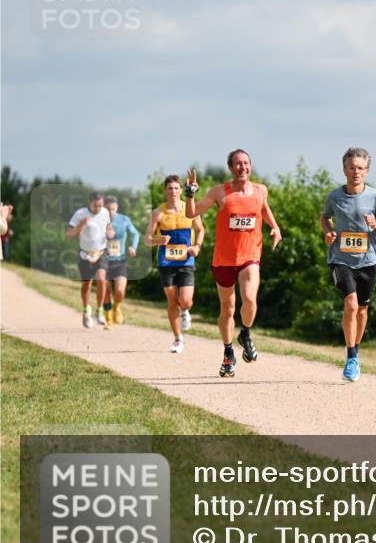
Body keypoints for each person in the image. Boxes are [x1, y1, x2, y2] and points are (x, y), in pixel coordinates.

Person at [185, 149, 281, 378]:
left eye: (246, 163)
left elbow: (263, 208)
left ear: (250, 166)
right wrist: (190, 194)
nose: (242, 167)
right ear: (230, 168)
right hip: (224, 259)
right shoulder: (219, 192)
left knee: (250, 299)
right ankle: (228, 353)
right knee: (227, 308)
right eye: (237, 164)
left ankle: (245, 333)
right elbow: (191, 213)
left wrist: (275, 227)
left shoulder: (260, 190)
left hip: (250, 255)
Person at [321, 147, 376, 382]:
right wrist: (328, 232)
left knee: (362, 310)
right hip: (340, 259)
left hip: (367, 261)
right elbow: (325, 217)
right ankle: (351, 356)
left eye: (360, 168)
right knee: (351, 304)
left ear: (367, 171)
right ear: (344, 169)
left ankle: (356, 351)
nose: (356, 172)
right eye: (352, 167)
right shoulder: (334, 196)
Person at [145, 175, 204, 353]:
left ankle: (185, 311)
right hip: (166, 261)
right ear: (165, 190)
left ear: (181, 190)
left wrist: (197, 246)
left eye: (176, 188)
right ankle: (178, 339)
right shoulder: (158, 213)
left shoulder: (190, 209)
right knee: (172, 300)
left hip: (186, 259)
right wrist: (158, 240)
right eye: (170, 188)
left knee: (186, 301)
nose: (173, 191)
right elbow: (147, 239)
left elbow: (200, 230)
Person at [66, 192, 112, 329]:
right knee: (87, 284)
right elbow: (69, 234)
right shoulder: (80, 214)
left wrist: (110, 232)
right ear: (89, 202)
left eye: (100, 205)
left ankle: (100, 311)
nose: (98, 208)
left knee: (101, 279)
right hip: (85, 254)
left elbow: (108, 228)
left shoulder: (105, 212)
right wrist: (80, 225)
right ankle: (86, 310)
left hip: (101, 252)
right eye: (95, 205)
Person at [104, 195, 141, 325]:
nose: (110, 212)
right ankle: (108, 318)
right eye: (107, 209)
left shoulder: (124, 220)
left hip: (119, 261)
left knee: (120, 291)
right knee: (106, 291)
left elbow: (135, 233)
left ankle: (116, 306)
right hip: (103, 261)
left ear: (117, 207)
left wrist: (133, 247)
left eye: (113, 209)